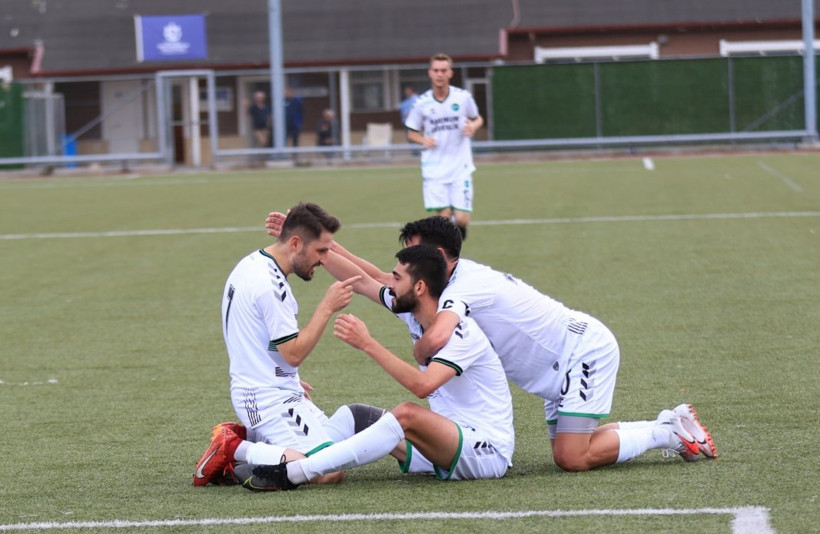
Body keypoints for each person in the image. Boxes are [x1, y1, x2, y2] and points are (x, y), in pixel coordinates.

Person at [265, 213, 719, 472]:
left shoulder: (464, 287)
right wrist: (315, 245)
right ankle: (666, 423)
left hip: (579, 352)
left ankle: (667, 432)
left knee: (571, 457)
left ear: (437, 260)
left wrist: (418, 350)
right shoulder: (432, 288)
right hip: (549, 371)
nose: (401, 264)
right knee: (576, 448)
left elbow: (438, 336)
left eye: (415, 252)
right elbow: (378, 280)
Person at [233, 244, 514, 491]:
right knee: (358, 416)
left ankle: (295, 472)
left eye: (396, 277)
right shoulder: (416, 316)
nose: (389, 283)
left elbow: (423, 386)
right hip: (443, 443)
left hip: (485, 451)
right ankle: (243, 451)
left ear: (419, 288)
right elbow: (362, 282)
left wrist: (367, 344)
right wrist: (318, 246)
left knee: (406, 415)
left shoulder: (463, 332)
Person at [193, 202, 365, 487]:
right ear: (296, 243)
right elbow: (293, 353)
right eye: (321, 251)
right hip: (267, 399)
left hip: (267, 388)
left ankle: (250, 450)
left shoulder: (252, 263)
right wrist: (326, 307)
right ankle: (234, 448)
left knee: (335, 448)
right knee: (328, 471)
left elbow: (255, 336)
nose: (324, 260)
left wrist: (284, 374)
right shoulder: (271, 286)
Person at [404, 53, 483, 241]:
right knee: (444, 219)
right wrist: (423, 140)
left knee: (462, 219)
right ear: (430, 73)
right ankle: (450, 253)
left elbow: (477, 118)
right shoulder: (421, 103)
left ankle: (457, 233)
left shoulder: (463, 98)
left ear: (450, 73)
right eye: (436, 70)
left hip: (460, 166)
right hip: (435, 168)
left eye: (443, 70)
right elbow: (411, 132)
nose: (440, 74)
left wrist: (473, 126)